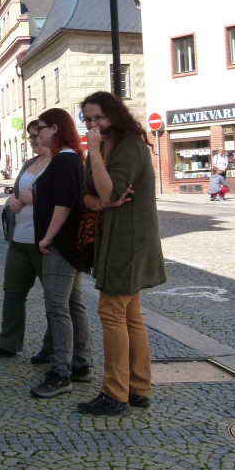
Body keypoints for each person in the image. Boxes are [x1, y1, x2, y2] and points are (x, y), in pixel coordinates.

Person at [79, 91, 167, 416]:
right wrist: (100, 202)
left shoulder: (129, 146)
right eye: (87, 119)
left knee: (112, 312)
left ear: (114, 114)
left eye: (98, 118)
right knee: (130, 315)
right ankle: (139, 387)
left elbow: (107, 189)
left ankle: (115, 393)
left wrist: (93, 156)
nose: (93, 125)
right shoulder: (104, 146)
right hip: (114, 236)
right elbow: (89, 194)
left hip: (128, 239)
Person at [29, 108, 91, 398]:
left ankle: (60, 373)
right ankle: (79, 363)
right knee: (74, 303)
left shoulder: (65, 160)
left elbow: (63, 205)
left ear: (55, 128)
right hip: (68, 244)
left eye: (41, 128)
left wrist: (47, 238)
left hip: (60, 245)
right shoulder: (69, 159)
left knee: (57, 307)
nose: (37, 133)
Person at [0, 121, 53, 360]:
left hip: (45, 242)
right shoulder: (30, 163)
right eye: (30, 136)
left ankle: (52, 347)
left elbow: (63, 197)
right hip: (19, 238)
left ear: (50, 133)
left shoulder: (58, 163)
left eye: (36, 135)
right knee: (12, 292)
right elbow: (16, 192)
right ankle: (8, 342)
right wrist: (13, 200)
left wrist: (34, 198)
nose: (33, 140)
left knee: (54, 297)